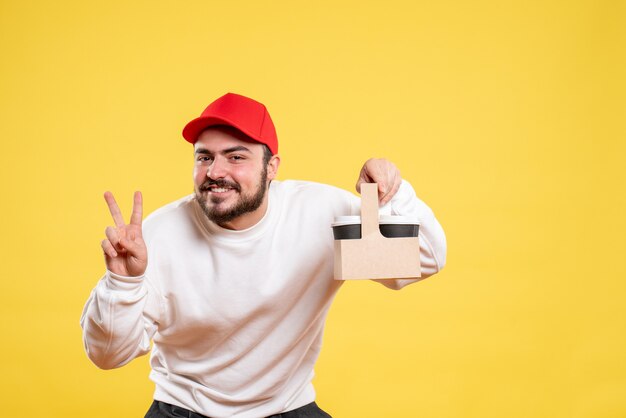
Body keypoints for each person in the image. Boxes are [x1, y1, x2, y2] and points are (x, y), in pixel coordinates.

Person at [81, 93, 447, 418]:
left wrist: (391, 197)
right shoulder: (157, 237)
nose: (214, 171)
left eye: (235, 156)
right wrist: (122, 282)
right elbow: (108, 356)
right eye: (204, 157)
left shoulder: (320, 214)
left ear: (271, 168)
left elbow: (419, 262)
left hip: (288, 407)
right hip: (185, 409)